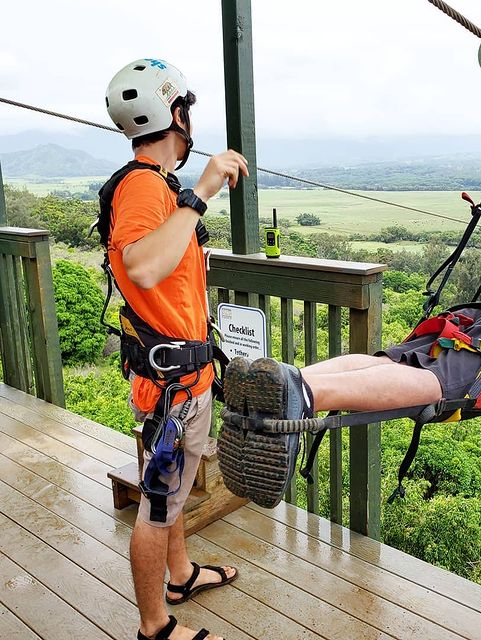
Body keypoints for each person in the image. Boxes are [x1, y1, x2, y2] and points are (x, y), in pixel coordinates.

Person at [103, 58, 248, 640]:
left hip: (179, 383)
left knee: (175, 489)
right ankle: (154, 626)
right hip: (171, 391)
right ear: (175, 114)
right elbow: (140, 265)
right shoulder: (145, 186)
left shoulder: (158, 189)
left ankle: (181, 573)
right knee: (157, 507)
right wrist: (204, 192)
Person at [219, 304, 481, 506]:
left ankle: (286, 380)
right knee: (432, 386)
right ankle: (303, 396)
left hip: (479, 326)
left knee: (389, 362)